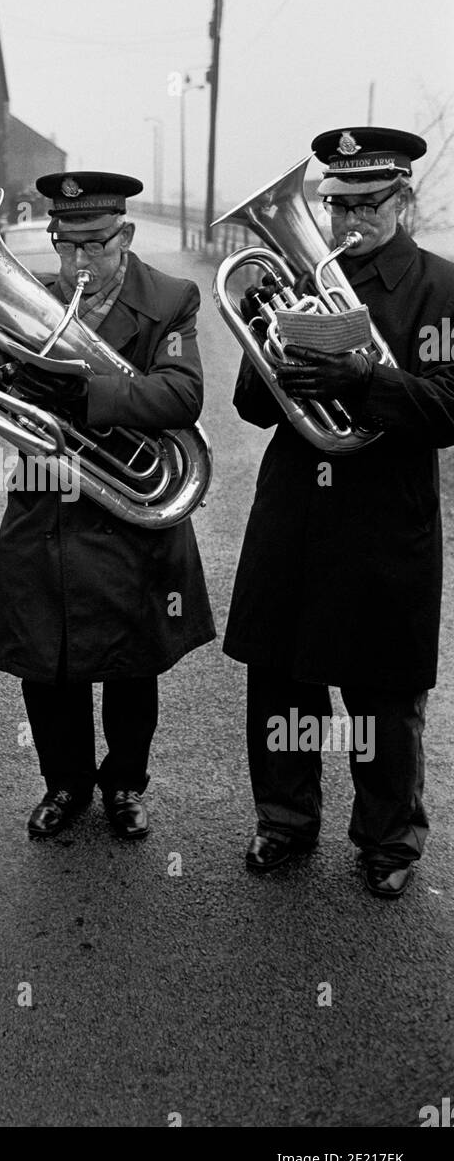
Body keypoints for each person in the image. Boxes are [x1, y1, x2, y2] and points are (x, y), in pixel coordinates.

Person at [223, 126, 454, 898]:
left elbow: (447, 411)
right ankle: (284, 820)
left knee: (382, 694)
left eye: (367, 205)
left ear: (403, 200)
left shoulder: (440, 288)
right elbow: (253, 407)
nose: (349, 222)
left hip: (385, 519)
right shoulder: (296, 280)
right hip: (295, 511)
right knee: (282, 678)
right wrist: (264, 334)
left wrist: (360, 379)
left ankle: (388, 842)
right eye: (336, 205)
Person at [0, 171, 214, 839]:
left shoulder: (171, 298)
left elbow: (182, 395)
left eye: (93, 244)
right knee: (46, 664)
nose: (78, 262)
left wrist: (83, 395)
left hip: (128, 513)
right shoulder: (29, 300)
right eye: (65, 245)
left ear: (127, 235)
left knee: (130, 665)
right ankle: (64, 786)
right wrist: (7, 384)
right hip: (47, 511)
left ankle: (124, 785)